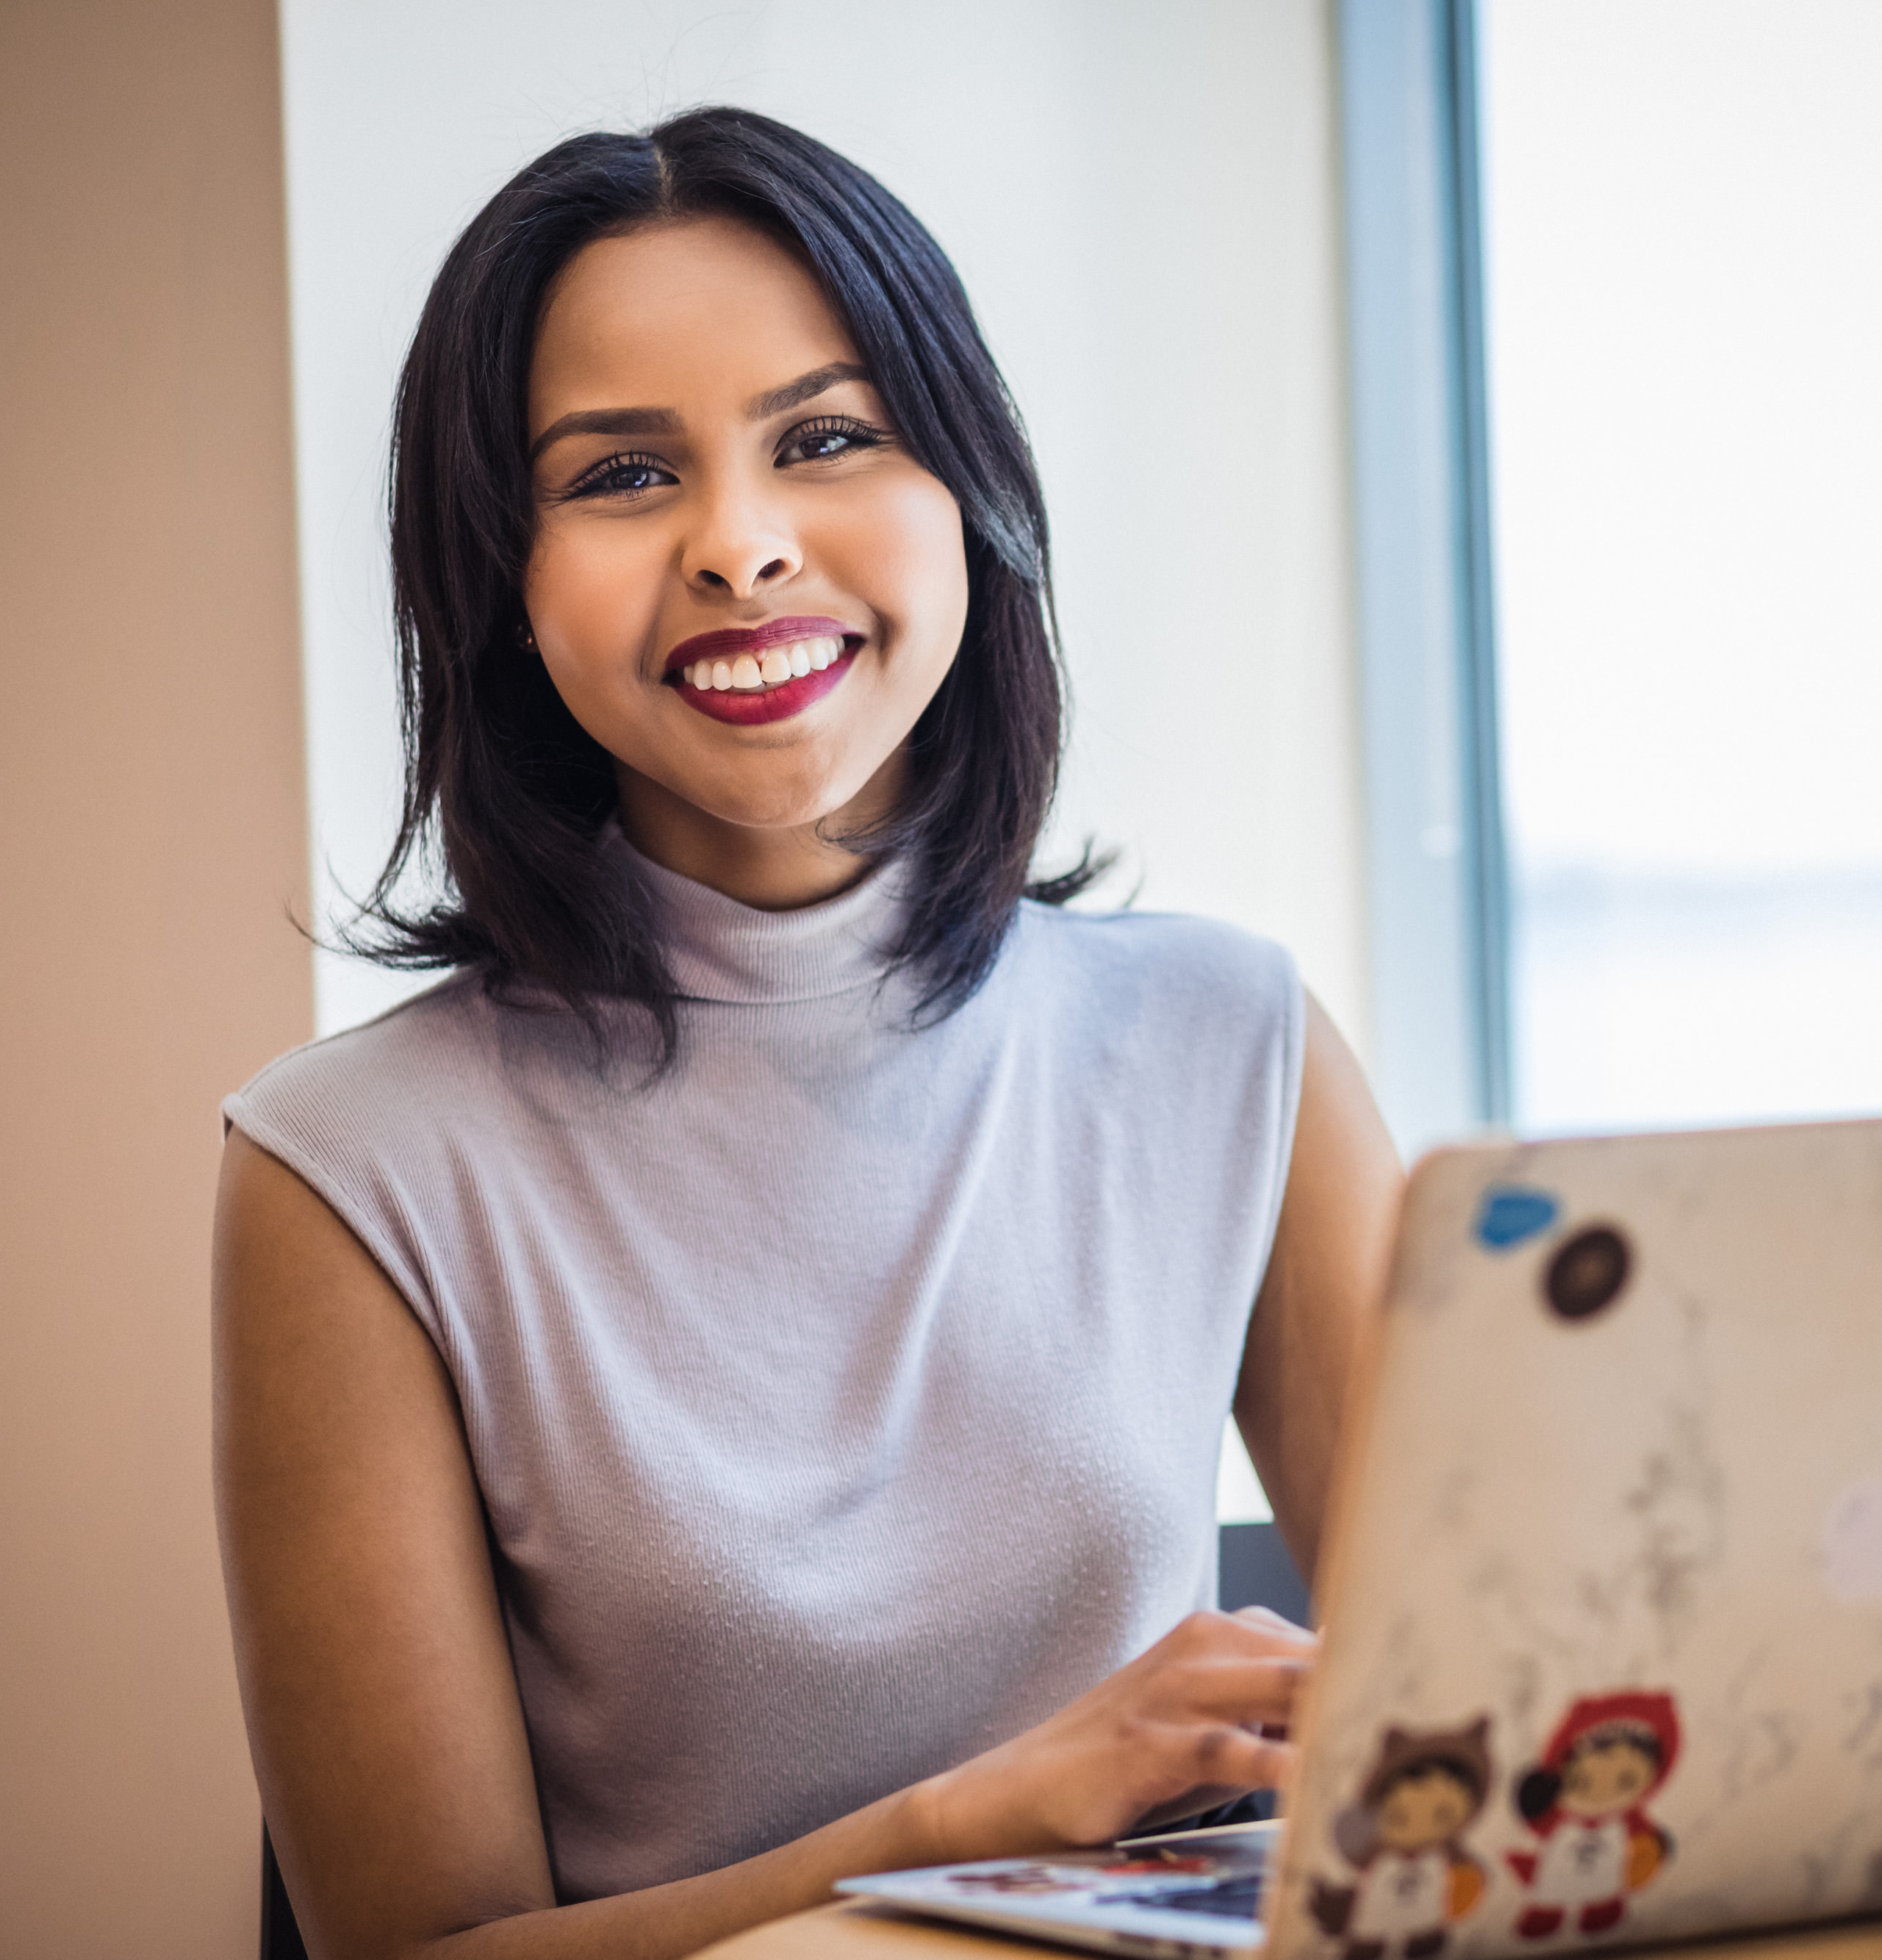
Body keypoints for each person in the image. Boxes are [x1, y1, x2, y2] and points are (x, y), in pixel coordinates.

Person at [212, 107, 1401, 1960]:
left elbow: (1521, 1722)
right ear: (503, 585)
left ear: (967, 498)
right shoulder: (347, 1169)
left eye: (827, 437)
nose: (741, 548)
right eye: (618, 476)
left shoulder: (1229, 1041)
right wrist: (960, 1828)